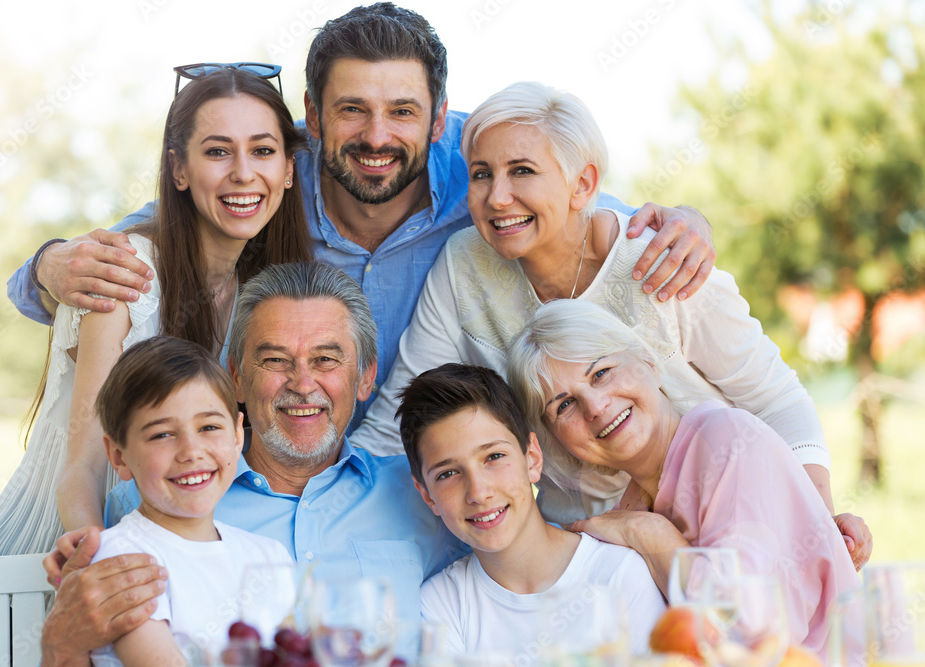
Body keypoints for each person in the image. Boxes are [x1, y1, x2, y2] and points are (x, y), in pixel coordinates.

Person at [5, 3, 717, 431]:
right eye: (352, 110)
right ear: (311, 117)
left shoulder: (482, 178)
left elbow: (585, 213)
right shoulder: (270, 182)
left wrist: (686, 220)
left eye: (402, 112)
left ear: (439, 118)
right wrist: (47, 265)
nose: (378, 136)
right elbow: (160, 230)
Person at [352, 81, 871, 566]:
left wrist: (816, 524)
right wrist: (318, 509)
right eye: (483, 173)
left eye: (522, 171)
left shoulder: (665, 258)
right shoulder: (465, 264)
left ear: (583, 185)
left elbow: (776, 399)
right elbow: (399, 417)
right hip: (594, 551)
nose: (497, 196)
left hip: (732, 519)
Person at [39, 262, 468, 666]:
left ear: (366, 377)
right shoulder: (155, 500)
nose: (302, 384)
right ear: (237, 377)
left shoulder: (425, 492)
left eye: (325, 360)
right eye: (276, 360)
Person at [0, 66, 311, 557]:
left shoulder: (254, 290)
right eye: (217, 151)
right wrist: (102, 558)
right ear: (179, 170)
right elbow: (82, 467)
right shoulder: (129, 272)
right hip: (60, 548)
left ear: (289, 170)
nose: (243, 172)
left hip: (163, 553)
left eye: (262, 150)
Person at [508, 299, 862, 656]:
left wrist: (651, 534)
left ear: (647, 362)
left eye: (601, 373)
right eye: (564, 405)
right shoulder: (627, 507)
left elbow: (744, 632)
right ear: (557, 440)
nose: (596, 407)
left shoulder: (728, 441)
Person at [397, 363, 666, 658]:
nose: (478, 492)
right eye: (448, 474)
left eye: (494, 457)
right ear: (427, 495)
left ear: (533, 459)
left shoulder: (619, 573)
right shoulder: (440, 606)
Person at [89, 336, 294, 664]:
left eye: (209, 427)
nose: (191, 451)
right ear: (119, 455)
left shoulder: (269, 556)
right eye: (162, 434)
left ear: (238, 435)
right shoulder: (124, 559)